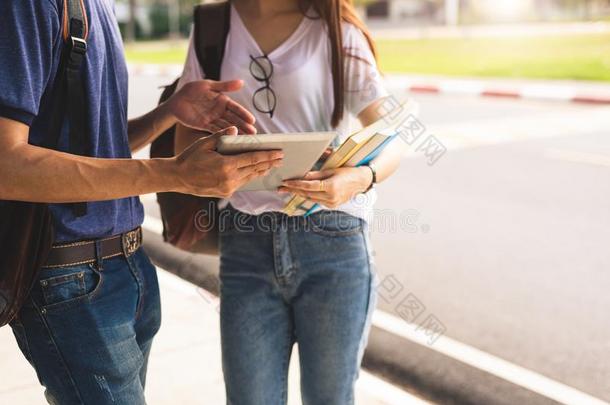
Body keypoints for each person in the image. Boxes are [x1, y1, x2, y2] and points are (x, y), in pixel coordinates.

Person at [0, 1, 283, 404]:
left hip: (127, 266)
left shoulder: (99, 6)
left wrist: (168, 113)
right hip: (68, 276)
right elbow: (6, 166)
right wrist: (174, 173)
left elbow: (93, 147)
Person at [174, 0, 407, 403]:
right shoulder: (213, 26)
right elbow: (185, 140)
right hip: (245, 242)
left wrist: (360, 177)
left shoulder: (336, 30)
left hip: (333, 241)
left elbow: (393, 137)